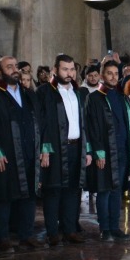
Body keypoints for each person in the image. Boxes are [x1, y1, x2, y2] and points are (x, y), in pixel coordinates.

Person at [0, 56, 43, 253]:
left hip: (28, 153)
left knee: (29, 196)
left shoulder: (28, 94)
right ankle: (3, 237)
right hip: (5, 156)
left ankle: (26, 235)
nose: (15, 70)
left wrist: (41, 149)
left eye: (16, 66)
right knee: (4, 197)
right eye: (9, 67)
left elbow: (40, 121)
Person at [83, 61, 130, 241]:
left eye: (116, 73)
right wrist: (98, 151)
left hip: (122, 151)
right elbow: (92, 128)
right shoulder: (94, 98)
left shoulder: (123, 97)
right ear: (102, 75)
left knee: (116, 190)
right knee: (104, 190)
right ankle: (105, 229)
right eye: (109, 73)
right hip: (105, 153)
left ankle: (115, 228)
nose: (113, 76)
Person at [37, 54, 87, 246]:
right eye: (65, 69)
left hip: (76, 147)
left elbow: (84, 123)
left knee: (73, 190)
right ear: (55, 70)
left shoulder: (80, 93)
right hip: (55, 149)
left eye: (72, 69)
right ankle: (52, 232)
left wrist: (87, 150)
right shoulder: (44, 92)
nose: (69, 73)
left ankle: (70, 229)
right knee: (53, 190)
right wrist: (45, 148)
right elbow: (41, 123)